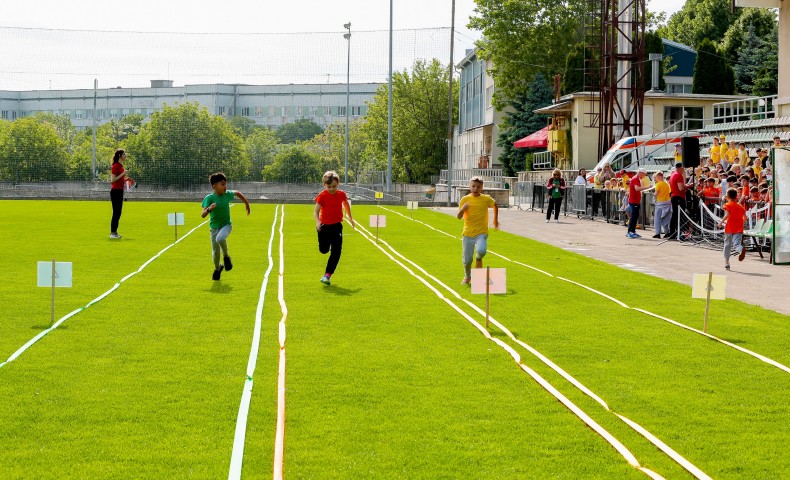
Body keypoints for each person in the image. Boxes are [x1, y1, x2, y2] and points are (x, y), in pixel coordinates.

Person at [201, 172, 251, 281]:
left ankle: (226, 256)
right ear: (214, 186)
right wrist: (209, 209)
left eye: (225, 184)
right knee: (215, 255)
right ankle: (218, 268)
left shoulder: (227, 194)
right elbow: (203, 215)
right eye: (222, 184)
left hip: (226, 225)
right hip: (214, 229)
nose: (225, 186)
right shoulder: (209, 198)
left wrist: (247, 204)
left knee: (220, 238)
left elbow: (237, 193)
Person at [314, 170, 355, 286]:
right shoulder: (322, 196)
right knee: (324, 250)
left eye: (334, 186)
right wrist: (318, 223)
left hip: (337, 226)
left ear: (338, 184)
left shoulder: (341, 194)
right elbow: (316, 212)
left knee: (336, 251)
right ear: (324, 185)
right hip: (324, 227)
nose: (332, 189)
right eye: (329, 187)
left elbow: (346, 204)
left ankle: (327, 275)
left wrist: (350, 218)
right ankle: (320, 235)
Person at [457, 176, 498, 285]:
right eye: (473, 186)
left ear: (482, 188)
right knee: (467, 260)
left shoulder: (486, 199)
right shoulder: (465, 199)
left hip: (481, 232)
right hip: (468, 233)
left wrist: (495, 220)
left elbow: (495, 205)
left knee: (481, 251)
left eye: (478, 187)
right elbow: (459, 217)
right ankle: (467, 276)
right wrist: (463, 208)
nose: (475, 189)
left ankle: (478, 259)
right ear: (470, 186)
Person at [717, 188, 747, 270]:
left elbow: (727, 214)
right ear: (736, 196)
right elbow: (745, 217)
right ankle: (741, 249)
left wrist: (721, 222)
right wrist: (741, 223)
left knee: (727, 245)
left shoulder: (727, 205)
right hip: (739, 228)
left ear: (728, 196)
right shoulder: (740, 206)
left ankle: (727, 262)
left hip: (730, 227)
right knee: (736, 244)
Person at [666, 162, 690, 239]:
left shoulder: (673, 174)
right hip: (678, 197)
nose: (684, 170)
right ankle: (678, 232)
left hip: (675, 197)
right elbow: (681, 188)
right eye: (683, 168)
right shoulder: (678, 175)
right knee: (679, 216)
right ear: (680, 168)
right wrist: (689, 186)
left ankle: (673, 232)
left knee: (675, 215)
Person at [625, 168, 651, 239]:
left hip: (635, 200)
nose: (644, 176)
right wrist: (647, 187)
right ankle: (630, 231)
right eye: (644, 175)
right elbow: (637, 188)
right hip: (634, 201)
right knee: (633, 216)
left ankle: (632, 231)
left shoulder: (636, 178)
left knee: (635, 216)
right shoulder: (636, 179)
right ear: (641, 173)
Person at [109, 149, 128, 239]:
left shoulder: (121, 166)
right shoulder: (116, 166)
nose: (125, 156)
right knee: (116, 212)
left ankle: (115, 232)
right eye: (124, 154)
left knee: (119, 212)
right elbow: (113, 180)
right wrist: (123, 174)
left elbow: (120, 179)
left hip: (120, 191)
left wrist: (126, 179)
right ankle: (112, 233)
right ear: (120, 155)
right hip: (115, 191)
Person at [652, 171, 671, 238]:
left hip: (660, 203)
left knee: (657, 219)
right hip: (667, 203)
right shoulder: (667, 184)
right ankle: (666, 232)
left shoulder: (658, 184)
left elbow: (656, 194)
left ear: (658, 177)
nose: (655, 179)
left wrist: (653, 194)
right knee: (665, 218)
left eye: (656, 178)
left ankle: (658, 233)